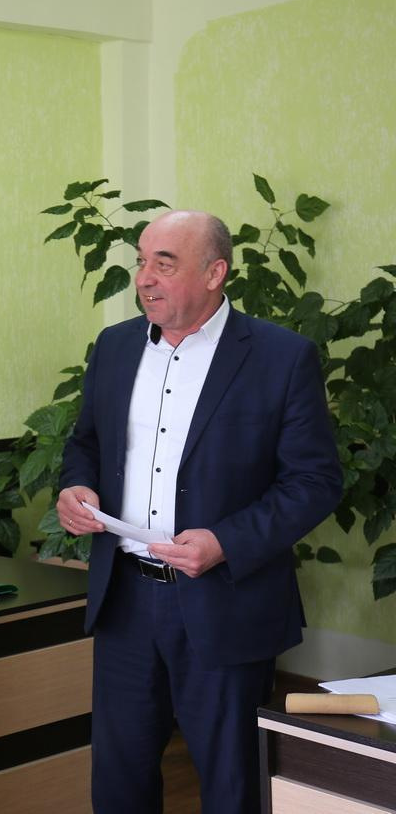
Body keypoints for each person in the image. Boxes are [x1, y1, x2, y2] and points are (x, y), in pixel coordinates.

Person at [56, 209, 342, 813]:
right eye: (141, 261)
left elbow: (314, 482)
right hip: (125, 600)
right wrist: (76, 487)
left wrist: (226, 542)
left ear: (216, 273)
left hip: (226, 601)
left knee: (232, 783)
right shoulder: (115, 346)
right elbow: (85, 444)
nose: (144, 278)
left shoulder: (281, 357)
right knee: (119, 781)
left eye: (164, 264)